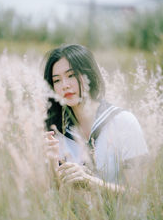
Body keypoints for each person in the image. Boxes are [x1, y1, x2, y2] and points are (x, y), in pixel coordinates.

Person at [44, 44, 148, 192]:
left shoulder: (123, 122)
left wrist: (91, 182)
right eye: (57, 80)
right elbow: (57, 199)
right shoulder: (57, 131)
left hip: (121, 214)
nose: (65, 85)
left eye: (71, 75)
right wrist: (51, 164)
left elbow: (139, 193)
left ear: (89, 74)